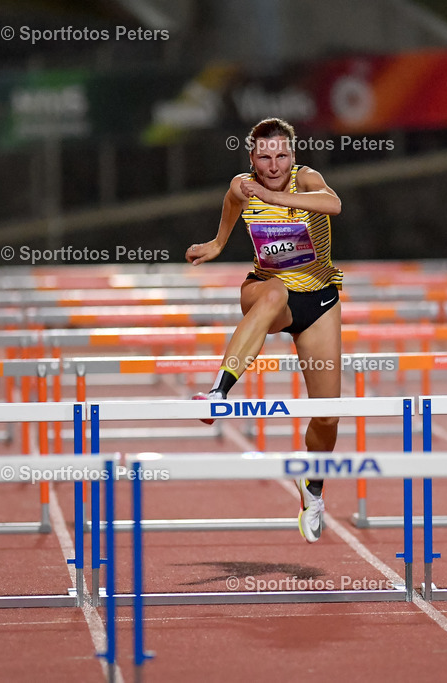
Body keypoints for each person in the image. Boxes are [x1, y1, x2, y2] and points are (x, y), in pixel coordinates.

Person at [186, 118, 342, 544]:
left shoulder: (306, 178)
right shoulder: (241, 186)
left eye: (281, 155)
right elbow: (232, 204)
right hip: (264, 292)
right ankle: (218, 392)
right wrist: (218, 244)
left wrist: (273, 196)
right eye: (264, 156)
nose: (273, 164)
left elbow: (334, 205)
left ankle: (312, 489)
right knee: (273, 292)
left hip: (318, 301)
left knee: (328, 417)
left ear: (292, 157)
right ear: (251, 158)